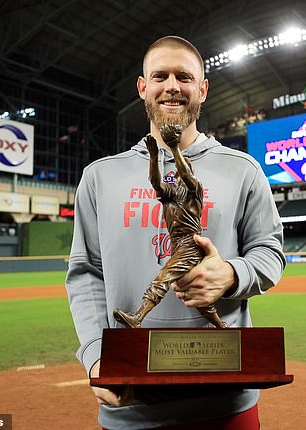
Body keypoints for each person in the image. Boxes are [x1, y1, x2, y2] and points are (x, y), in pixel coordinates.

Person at [65, 35, 285, 430]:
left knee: (177, 285)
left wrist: (232, 274)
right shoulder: (99, 176)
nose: (171, 86)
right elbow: (86, 274)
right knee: (165, 283)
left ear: (202, 89)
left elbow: (270, 252)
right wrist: (98, 356)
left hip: (226, 400)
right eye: (160, 75)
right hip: (131, 402)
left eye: (184, 76)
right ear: (142, 87)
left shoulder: (243, 169)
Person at [113, 123, 226, 329]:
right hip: (178, 245)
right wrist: (154, 157)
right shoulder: (170, 195)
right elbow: (155, 182)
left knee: (161, 280)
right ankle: (220, 325)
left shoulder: (195, 190)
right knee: (194, 294)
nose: (174, 175)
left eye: (179, 173)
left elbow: (186, 174)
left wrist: (174, 147)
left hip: (191, 246)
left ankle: (137, 318)